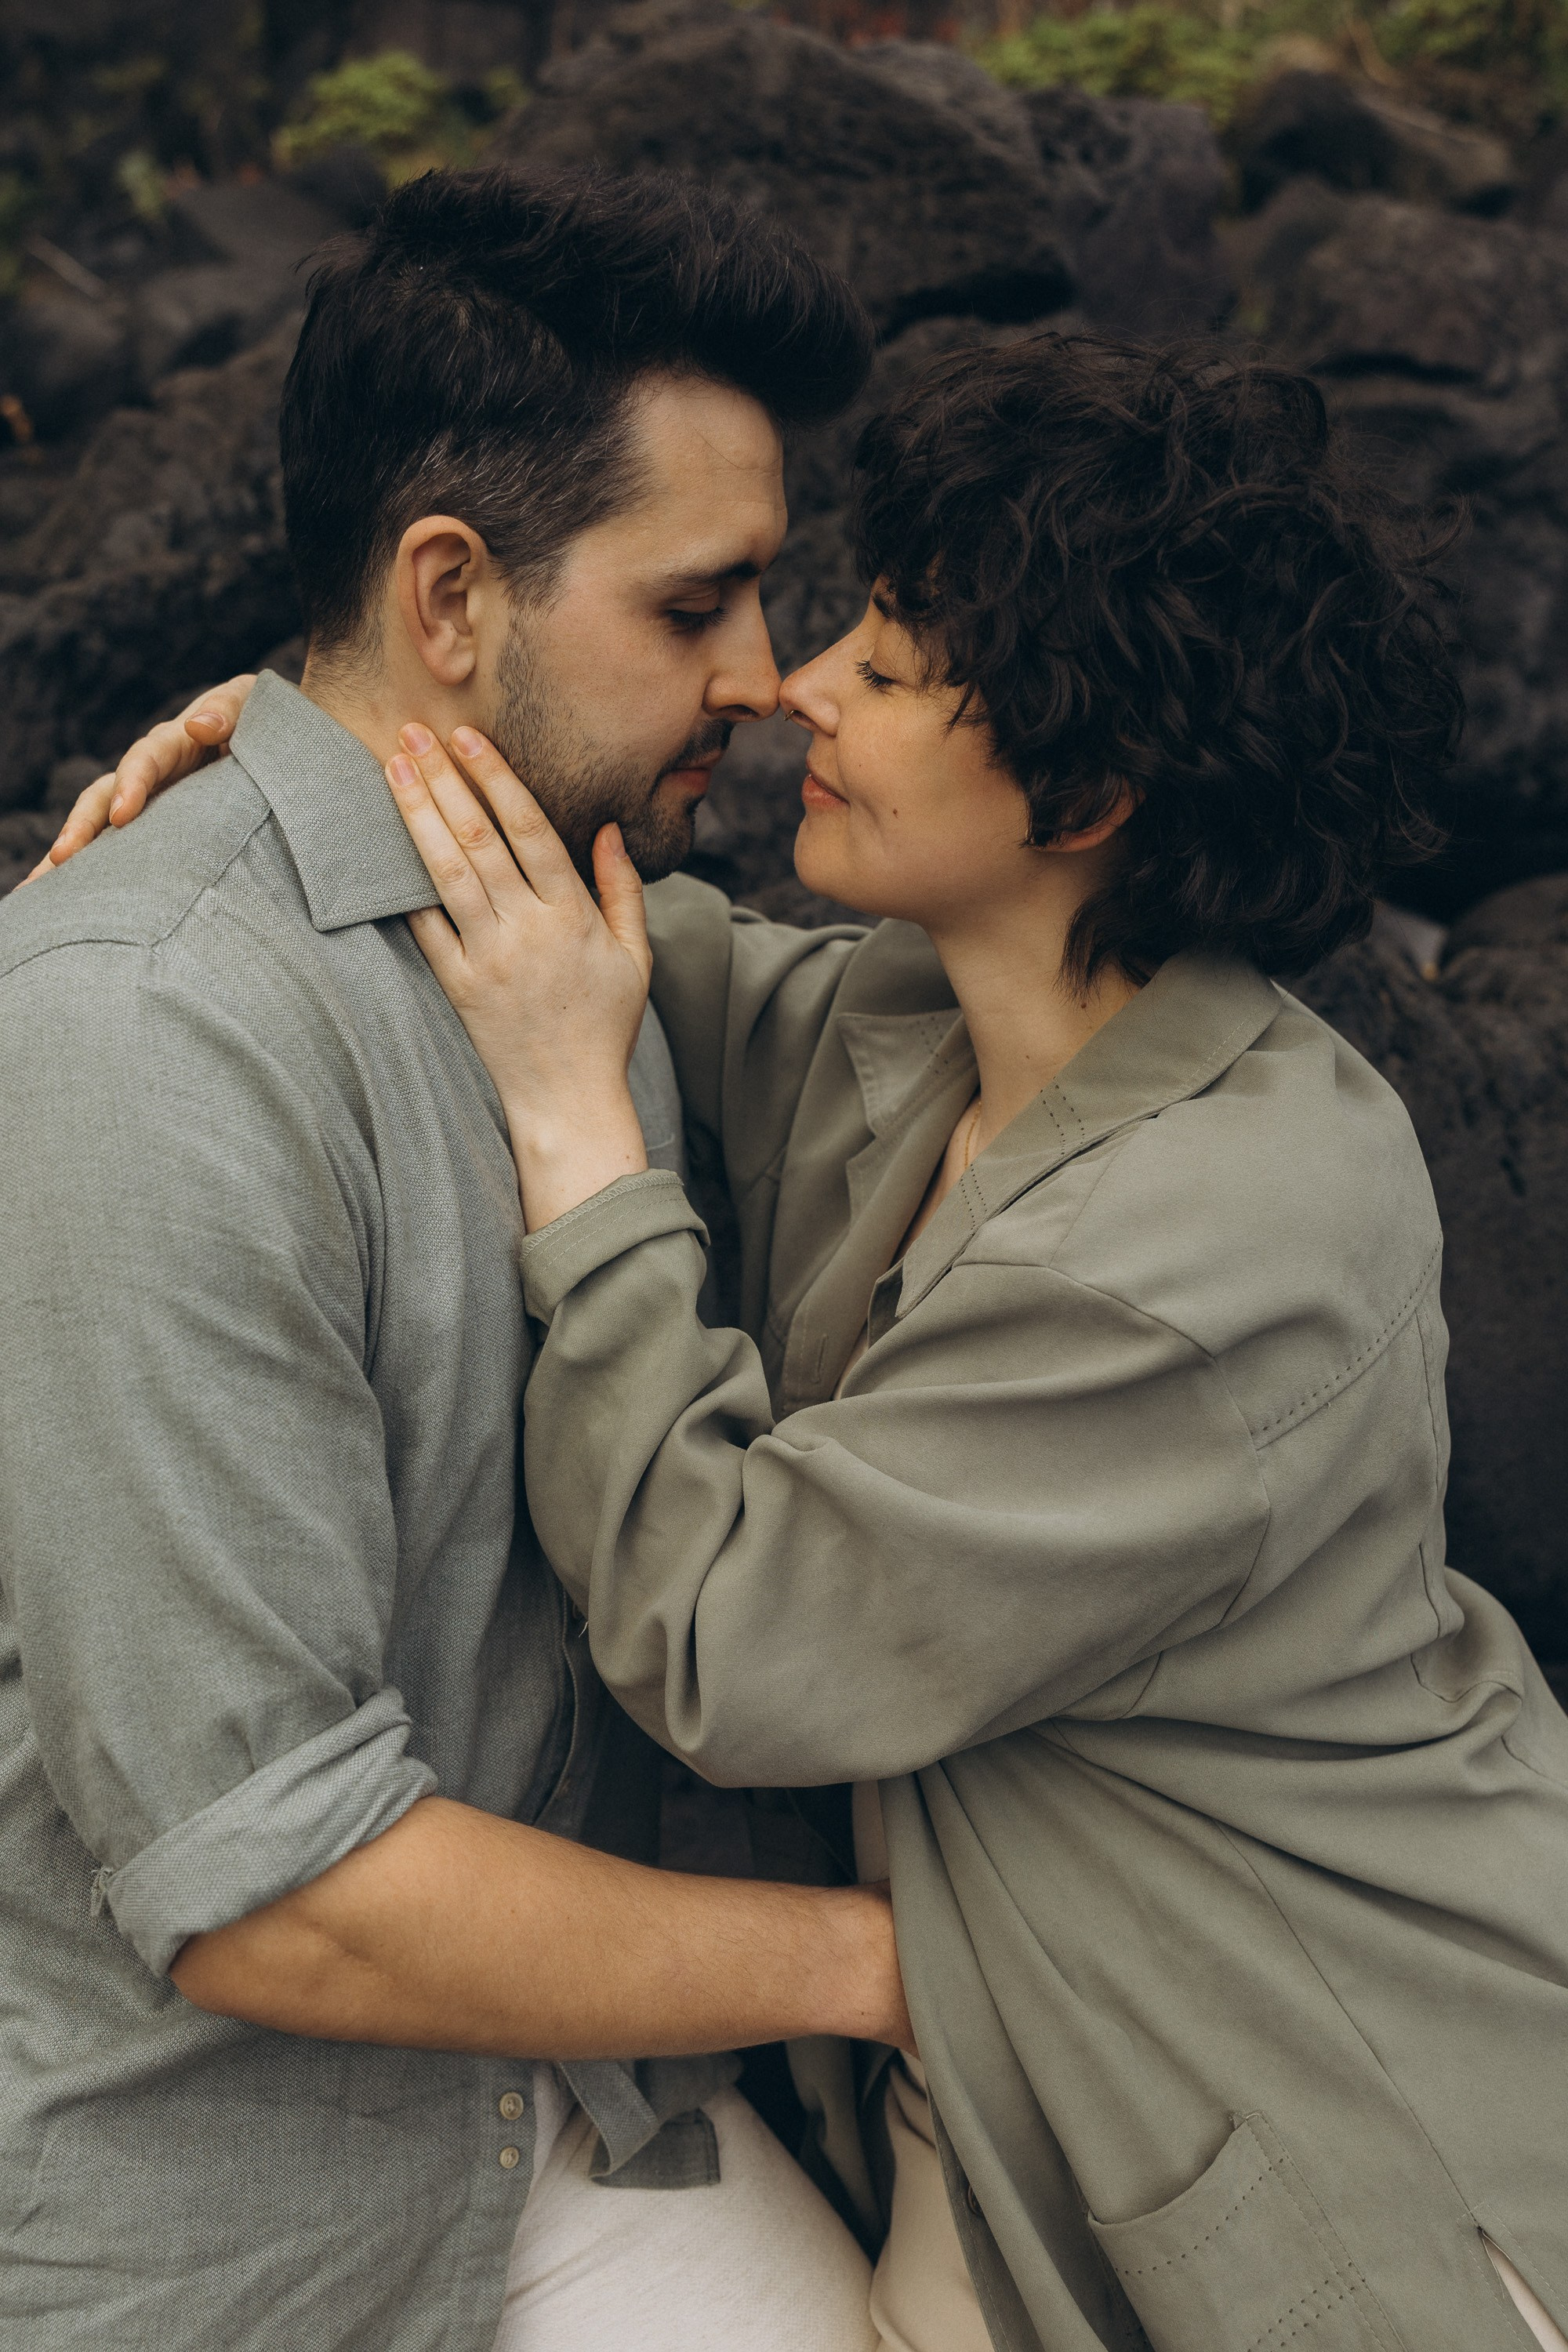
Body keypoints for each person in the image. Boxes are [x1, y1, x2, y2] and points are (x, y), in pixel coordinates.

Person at [0, 167, 902, 2352]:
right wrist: (907, 1973)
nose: (768, 681)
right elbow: (273, 1894)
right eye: (703, 606)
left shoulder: (581, 924)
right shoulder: (147, 1027)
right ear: (452, 598)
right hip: (218, 2219)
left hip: (572, 2111)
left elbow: (1012, 1007)